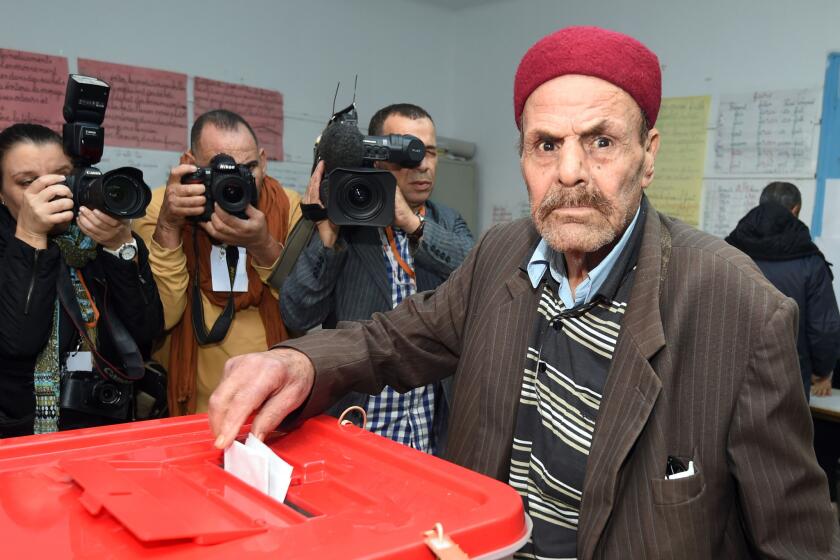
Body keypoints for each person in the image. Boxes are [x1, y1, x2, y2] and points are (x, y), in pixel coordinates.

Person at [208, 27, 840, 558]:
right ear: (522, 157)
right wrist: (298, 360)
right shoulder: (500, 255)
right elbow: (392, 341)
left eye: (601, 142)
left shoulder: (741, 310)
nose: (569, 172)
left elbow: (796, 545)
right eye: (546, 145)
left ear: (647, 156)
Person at [280, 103, 474, 454]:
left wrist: (412, 225)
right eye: (408, 152)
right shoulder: (347, 221)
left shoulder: (448, 222)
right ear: (377, 157)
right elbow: (297, 314)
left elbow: (476, 277)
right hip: (358, 432)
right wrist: (327, 238)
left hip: (432, 437)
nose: (423, 164)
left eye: (430, 152)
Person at [133, 110, 301, 415]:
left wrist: (262, 244)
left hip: (274, 402)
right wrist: (170, 225)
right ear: (189, 163)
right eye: (220, 170)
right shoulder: (160, 207)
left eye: (249, 167)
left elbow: (303, 307)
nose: (236, 181)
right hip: (190, 408)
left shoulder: (288, 208)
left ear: (263, 160)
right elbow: (162, 317)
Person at [0, 123, 163, 437]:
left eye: (62, 177)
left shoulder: (102, 234)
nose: (52, 192)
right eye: (28, 182)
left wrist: (119, 247)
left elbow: (147, 330)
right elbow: (19, 341)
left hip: (104, 421)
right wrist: (32, 237)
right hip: (19, 429)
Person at [726, 181, 840, 399]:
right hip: (789, 382)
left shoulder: (728, 250)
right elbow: (824, 328)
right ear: (795, 210)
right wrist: (823, 371)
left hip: (731, 377)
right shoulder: (810, 262)